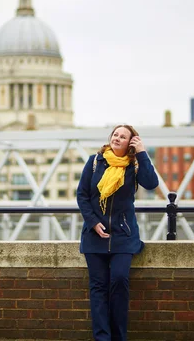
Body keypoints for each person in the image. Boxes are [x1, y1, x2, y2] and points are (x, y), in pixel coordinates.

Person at [76, 124, 159, 341]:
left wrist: (142, 153)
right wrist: (93, 222)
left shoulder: (135, 165)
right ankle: (102, 338)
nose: (117, 138)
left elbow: (151, 183)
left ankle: (119, 337)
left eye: (123, 136)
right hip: (94, 237)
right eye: (115, 134)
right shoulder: (95, 162)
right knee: (98, 289)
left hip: (123, 236)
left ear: (130, 142)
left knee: (120, 282)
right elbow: (82, 195)